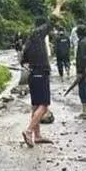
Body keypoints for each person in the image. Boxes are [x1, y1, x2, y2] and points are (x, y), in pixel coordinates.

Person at [20, 16, 53, 147]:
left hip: (33, 75)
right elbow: (52, 21)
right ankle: (28, 131)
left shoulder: (28, 40)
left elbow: (23, 61)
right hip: (40, 74)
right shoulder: (38, 35)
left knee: (36, 106)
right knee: (44, 106)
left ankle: (37, 136)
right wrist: (58, 7)